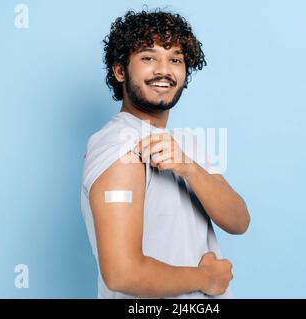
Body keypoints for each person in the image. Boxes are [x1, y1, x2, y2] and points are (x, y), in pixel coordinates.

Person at [80, 9, 250, 299]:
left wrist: (189, 168)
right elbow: (122, 273)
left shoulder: (185, 146)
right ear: (120, 70)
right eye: (148, 57)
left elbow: (238, 221)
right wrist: (205, 279)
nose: (164, 70)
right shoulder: (120, 146)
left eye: (175, 59)